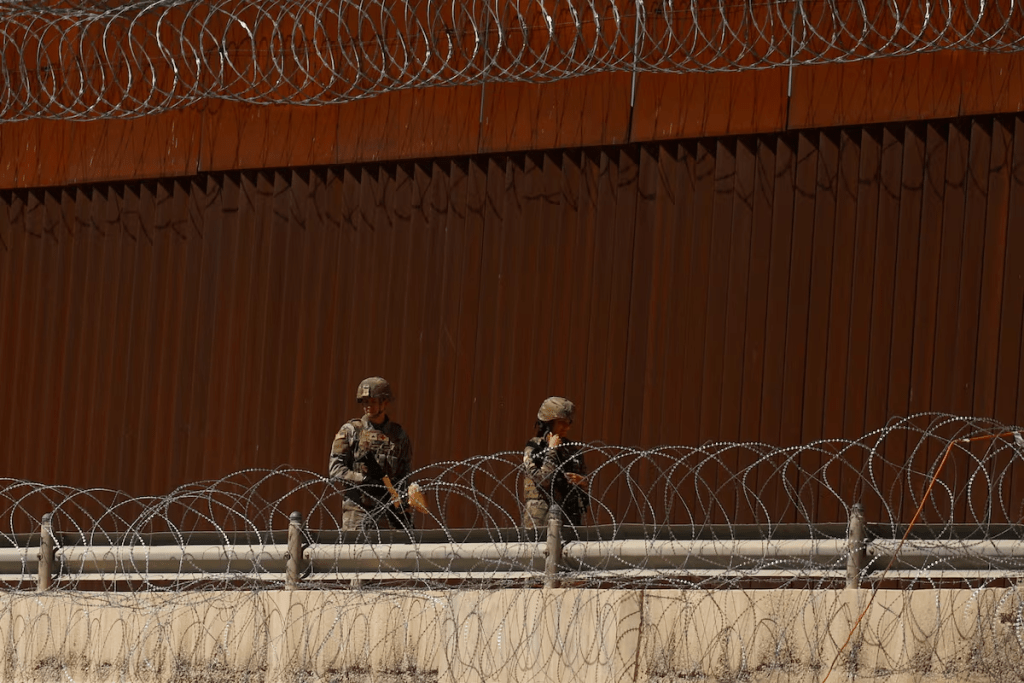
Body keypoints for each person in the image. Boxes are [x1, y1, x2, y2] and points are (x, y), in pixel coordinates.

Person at [328, 376, 414, 532]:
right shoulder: (351, 431)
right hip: (357, 511)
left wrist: (403, 499)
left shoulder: (398, 436)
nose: (367, 406)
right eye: (364, 402)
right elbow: (335, 470)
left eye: (372, 402)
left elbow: (404, 474)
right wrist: (364, 480)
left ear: (385, 403)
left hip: (388, 512)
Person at [522, 396, 589, 529]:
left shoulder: (571, 450)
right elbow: (544, 480)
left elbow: (585, 491)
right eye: (562, 422)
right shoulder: (534, 449)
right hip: (540, 522)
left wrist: (582, 482)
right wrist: (551, 450)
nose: (567, 427)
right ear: (549, 423)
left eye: (569, 422)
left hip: (568, 518)